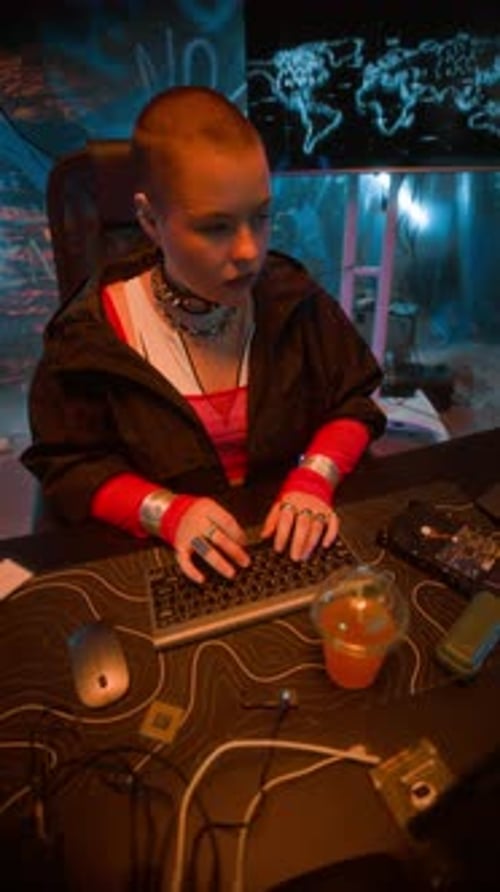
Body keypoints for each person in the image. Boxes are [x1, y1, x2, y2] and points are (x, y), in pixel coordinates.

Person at [22, 85, 386, 584]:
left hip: (289, 548)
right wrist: (167, 513)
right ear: (150, 219)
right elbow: (71, 467)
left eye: (260, 217)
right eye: (215, 227)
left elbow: (353, 403)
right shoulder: (89, 339)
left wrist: (313, 477)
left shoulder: (292, 300)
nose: (248, 251)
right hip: (164, 566)